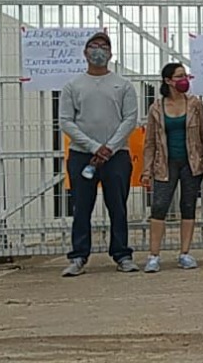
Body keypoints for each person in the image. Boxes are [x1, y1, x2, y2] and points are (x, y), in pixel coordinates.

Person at [59, 32, 139, 277]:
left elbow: (130, 119)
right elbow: (66, 121)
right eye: (93, 46)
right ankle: (79, 255)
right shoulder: (73, 86)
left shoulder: (123, 85)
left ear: (111, 54)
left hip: (117, 155)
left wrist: (110, 147)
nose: (98, 51)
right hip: (82, 155)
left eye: (104, 47)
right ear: (85, 53)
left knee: (118, 206)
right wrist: (94, 147)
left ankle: (122, 254)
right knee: (82, 207)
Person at [141, 63, 203, 272]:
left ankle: (185, 253)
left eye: (185, 75)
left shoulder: (195, 104)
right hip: (165, 164)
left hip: (192, 163)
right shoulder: (156, 108)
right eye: (179, 76)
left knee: (188, 206)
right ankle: (154, 256)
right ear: (168, 81)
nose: (184, 80)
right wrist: (146, 169)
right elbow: (150, 141)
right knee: (159, 206)